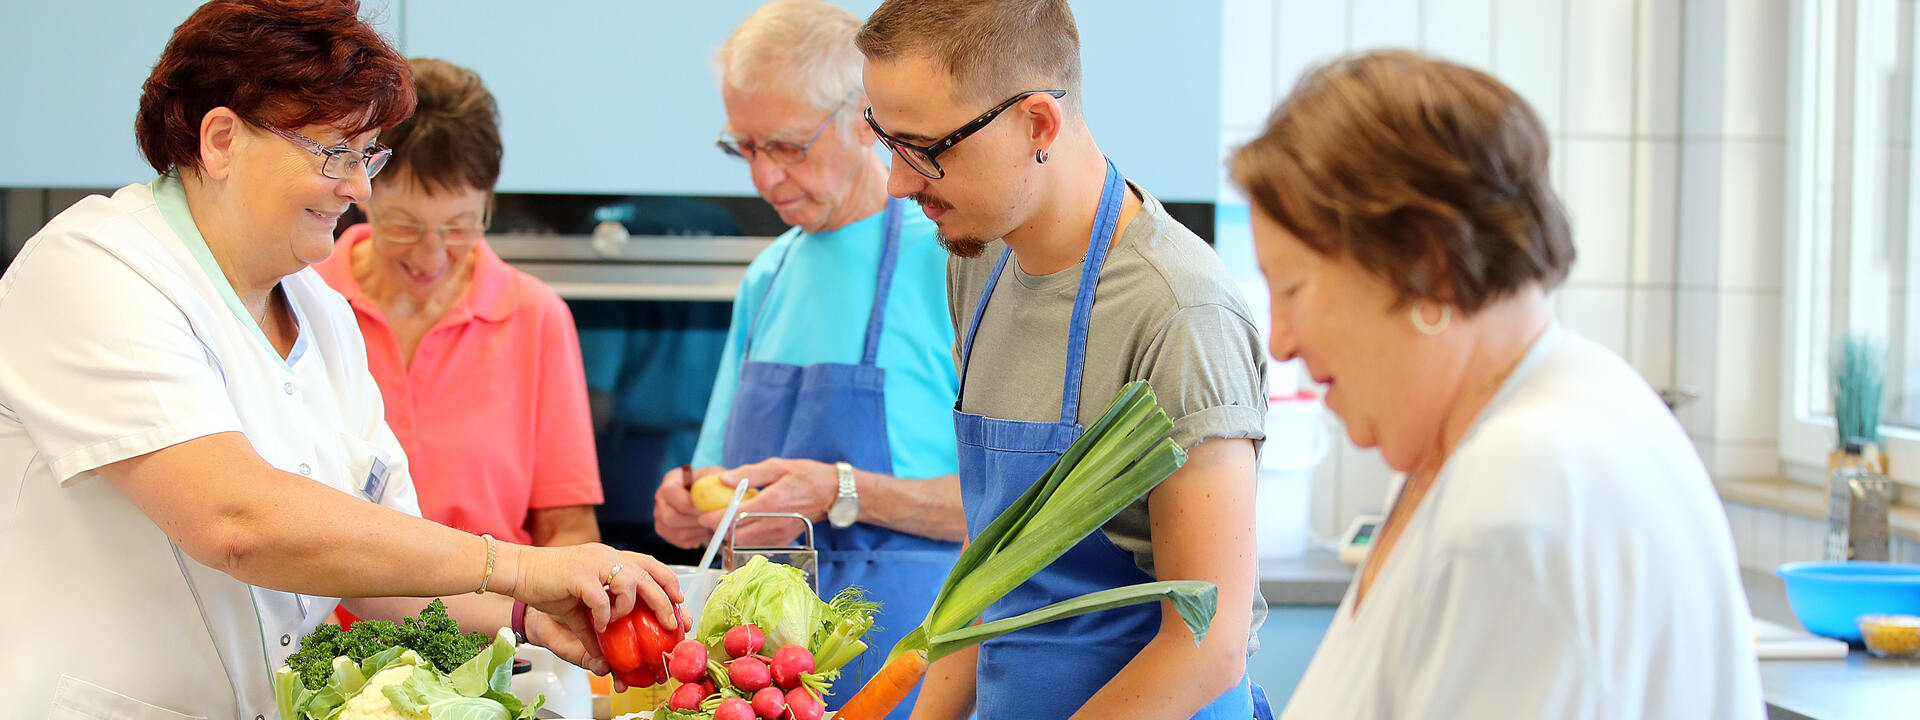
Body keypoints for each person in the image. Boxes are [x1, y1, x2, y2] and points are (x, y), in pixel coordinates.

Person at [0, 3, 679, 716]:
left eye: (367, 156)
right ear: (222, 139)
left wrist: (523, 611)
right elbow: (235, 520)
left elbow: (380, 564)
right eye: (335, 154)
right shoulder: (95, 268)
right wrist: (517, 565)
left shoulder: (322, 314)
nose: (359, 189)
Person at [1229, 51, 1763, 718]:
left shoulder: (1525, 490)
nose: (1280, 341)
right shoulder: (1507, 425)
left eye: (1294, 289)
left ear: (1424, 264)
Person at [857, 2, 1272, 719]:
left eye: (925, 149)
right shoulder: (978, 262)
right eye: (884, 139)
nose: (897, 182)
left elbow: (1210, 643)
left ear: (1038, 125)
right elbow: (988, 570)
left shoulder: (1180, 312)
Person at [651, 1, 963, 714]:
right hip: (757, 688)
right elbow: (717, 484)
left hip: (914, 681)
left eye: (788, 147)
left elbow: (1014, 512)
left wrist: (842, 490)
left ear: (867, 119)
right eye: (745, 148)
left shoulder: (953, 263)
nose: (764, 179)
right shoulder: (767, 279)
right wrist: (687, 506)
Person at [316, 58, 603, 548]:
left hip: (498, 622)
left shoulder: (535, 317)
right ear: (362, 185)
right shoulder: (306, 301)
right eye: (405, 224)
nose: (432, 257)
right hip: (333, 625)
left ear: (489, 203)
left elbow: (566, 531)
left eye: (459, 226)